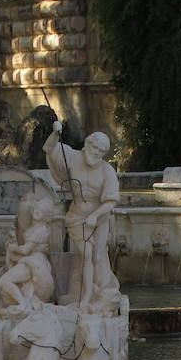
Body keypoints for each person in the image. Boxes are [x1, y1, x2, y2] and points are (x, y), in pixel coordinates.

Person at [43, 120, 121, 312]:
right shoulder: (71, 157)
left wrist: (95, 215)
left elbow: (110, 201)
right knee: (87, 255)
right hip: (78, 216)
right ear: (87, 144)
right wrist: (55, 131)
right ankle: (85, 298)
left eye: (102, 152)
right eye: (95, 148)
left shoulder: (106, 170)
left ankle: (97, 292)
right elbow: (49, 147)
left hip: (99, 218)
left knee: (98, 256)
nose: (97, 153)